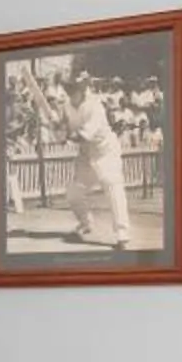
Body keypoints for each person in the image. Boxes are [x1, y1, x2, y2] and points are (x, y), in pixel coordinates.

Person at [64, 70, 132, 249]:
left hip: (105, 152)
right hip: (86, 154)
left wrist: (66, 134)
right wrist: (58, 126)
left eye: (75, 88)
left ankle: (122, 234)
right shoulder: (67, 105)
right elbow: (66, 127)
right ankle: (86, 224)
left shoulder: (95, 106)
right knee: (74, 192)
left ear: (83, 88)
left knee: (112, 187)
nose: (71, 92)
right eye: (68, 88)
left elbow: (83, 135)